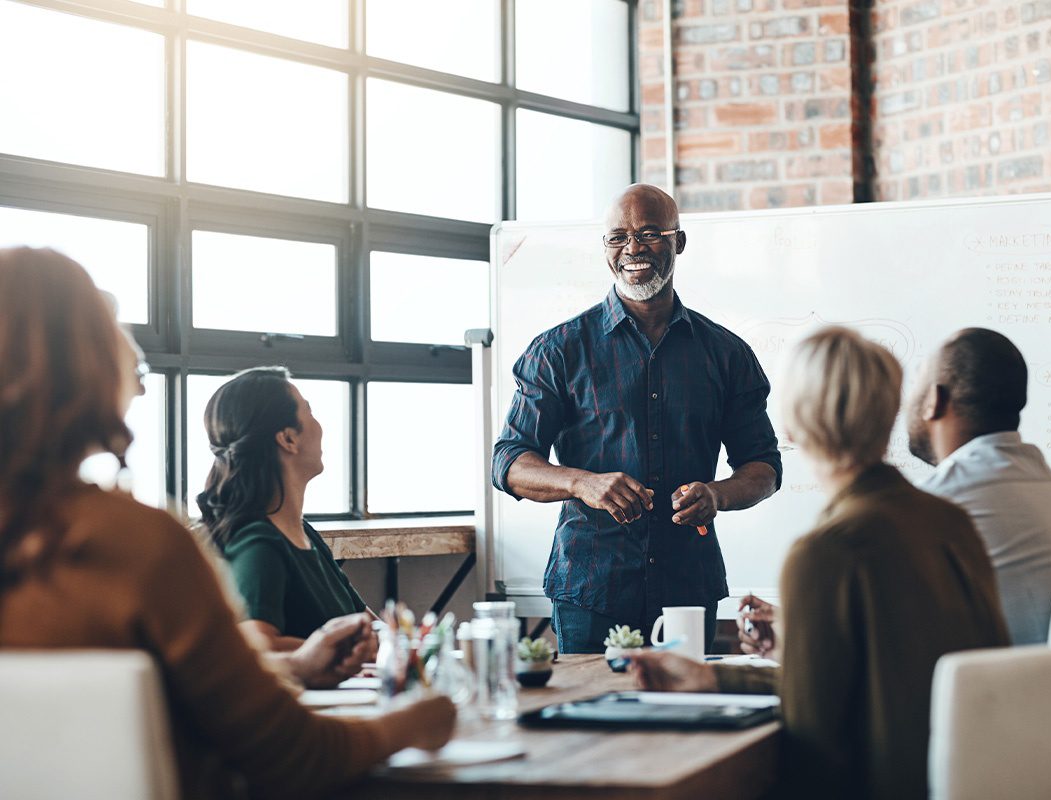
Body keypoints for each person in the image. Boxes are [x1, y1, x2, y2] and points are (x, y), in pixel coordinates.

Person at [0, 247, 454, 799]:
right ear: (86, 364)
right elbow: (298, 758)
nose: (139, 368)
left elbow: (164, 701)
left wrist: (294, 670)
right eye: (115, 328)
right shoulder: (134, 544)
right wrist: (422, 719)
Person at [630, 326, 1009, 800]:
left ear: (790, 426)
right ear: (890, 412)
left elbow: (813, 740)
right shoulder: (951, 521)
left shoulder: (826, 553)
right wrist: (714, 677)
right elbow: (879, 672)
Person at [492, 184, 782, 654]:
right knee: (589, 725)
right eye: (617, 237)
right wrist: (581, 483)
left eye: (649, 234)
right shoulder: (559, 350)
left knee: (685, 722)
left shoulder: (726, 354)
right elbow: (508, 461)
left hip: (688, 588)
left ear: (678, 242)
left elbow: (764, 467)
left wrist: (718, 495)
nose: (633, 249)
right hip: (591, 590)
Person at [907, 327, 1051, 644]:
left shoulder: (937, 502)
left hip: (1005, 691)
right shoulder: (1050, 487)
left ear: (933, 400)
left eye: (916, 382)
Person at [197, 367, 368, 651]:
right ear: (288, 439)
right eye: (309, 412)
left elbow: (367, 623)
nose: (320, 425)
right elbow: (256, 646)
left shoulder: (306, 534)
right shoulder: (259, 544)